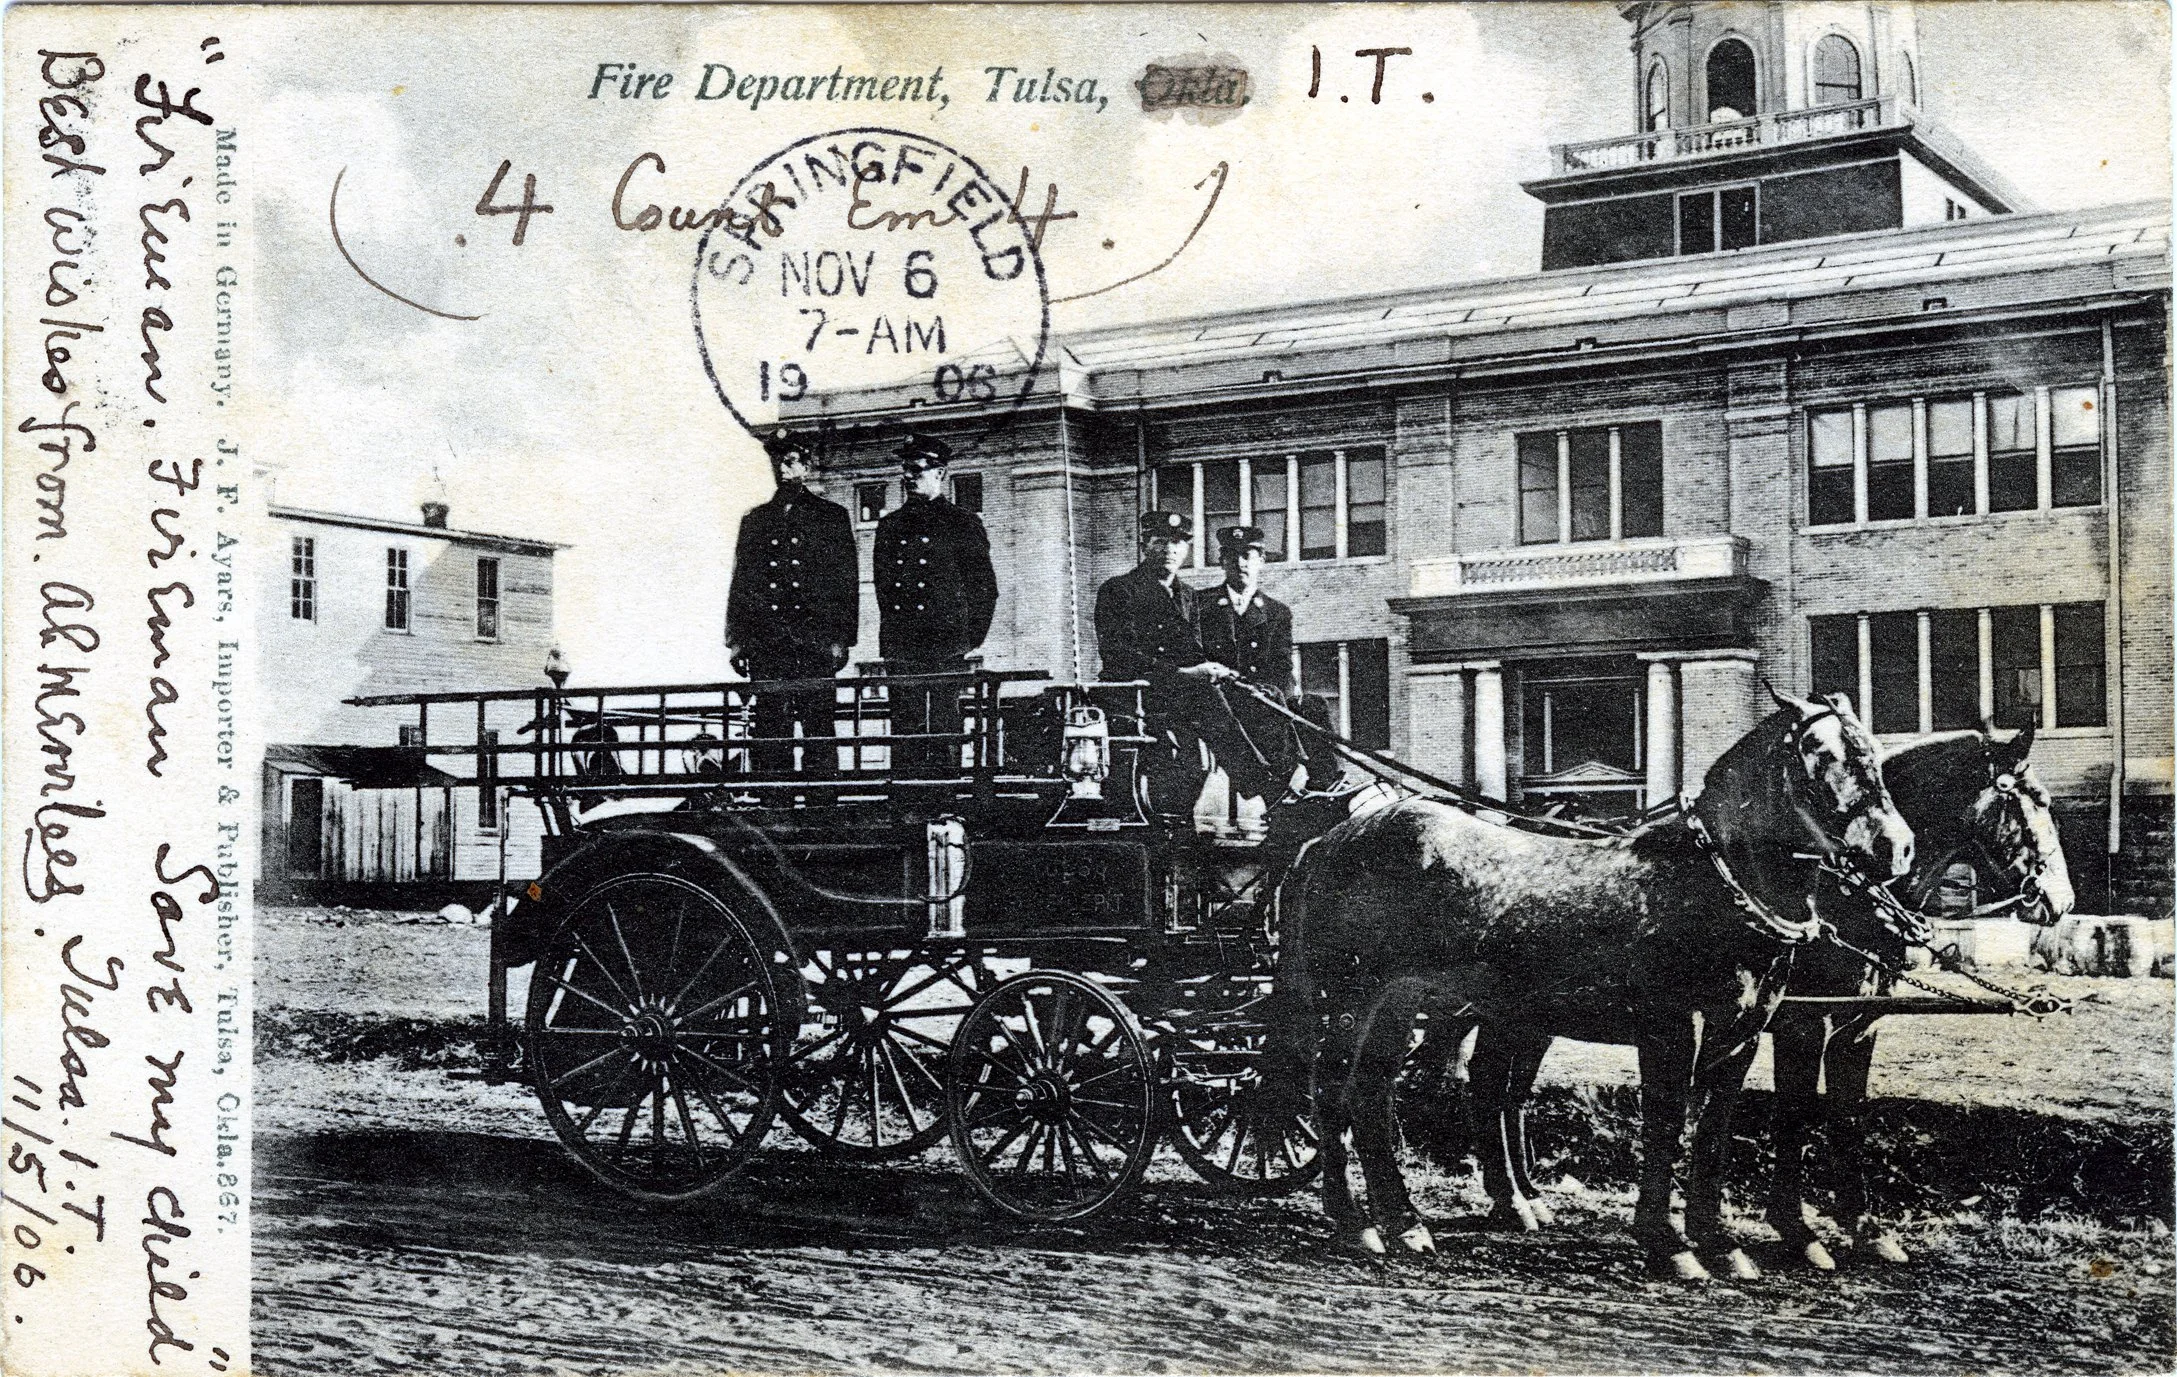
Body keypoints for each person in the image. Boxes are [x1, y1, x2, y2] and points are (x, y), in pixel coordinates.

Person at [1093, 509, 1283, 817]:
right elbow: (1119, 654)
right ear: (1144, 545)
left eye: (1178, 543)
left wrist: (1216, 670)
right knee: (1206, 699)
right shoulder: (1120, 590)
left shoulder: (1188, 595)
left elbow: (1193, 650)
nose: (1169, 550)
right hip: (1136, 692)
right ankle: (1263, 785)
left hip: (1181, 691)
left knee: (1259, 695)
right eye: (1160, 542)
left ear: (1187, 549)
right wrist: (1184, 673)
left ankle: (1288, 781)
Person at [725, 431, 858, 777]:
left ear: (806, 466)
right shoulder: (755, 520)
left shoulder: (831, 517)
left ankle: (822, 806)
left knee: (819, 726)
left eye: (791, 461)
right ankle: (774, 807)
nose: (782, 468)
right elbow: (742, 583)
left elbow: (846, 582)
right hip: (768, 643)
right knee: (770, 728)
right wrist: (737, 640)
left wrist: (841, 639)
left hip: (814, 642)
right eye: (776, 461)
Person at [874, 434, 998, 774]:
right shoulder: (889, 526)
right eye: (905, 471)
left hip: (944, 645)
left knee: (944, 727)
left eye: (917, 469)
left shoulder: (962, 522)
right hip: (902, 645)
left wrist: (966, 639)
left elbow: (984, 589)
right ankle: (904, 806)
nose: (908, 477)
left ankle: (944, 802)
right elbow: (885, 589)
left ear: (939, 473)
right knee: (905, 729)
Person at [1197, 524, 1346, 794]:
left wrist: (1290, 698)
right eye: (1232, 557)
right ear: (1222, 562)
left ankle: (1327, 784)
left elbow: (1282, 663)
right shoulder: (1200, 605)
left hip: (1264, 694)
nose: (1240, 563)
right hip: (1222, 698)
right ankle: (1289, 775)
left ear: (1261, 561)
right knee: (1268, 702)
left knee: (1313, 705)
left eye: (1248, 556)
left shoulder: (1277, 612)